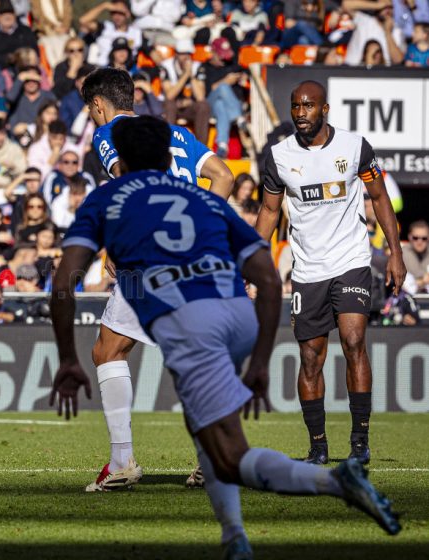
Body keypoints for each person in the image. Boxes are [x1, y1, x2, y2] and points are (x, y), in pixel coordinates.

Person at [50, 114, 402, 558]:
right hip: (229, 312)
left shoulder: (110, 198)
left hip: (179, 308)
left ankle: (315, 487)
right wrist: (257, 361)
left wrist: (66, 357)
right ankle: (239, 530)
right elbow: (268, 279)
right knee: (218, 441)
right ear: (167, 156)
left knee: (218, 445)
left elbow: (62, 284)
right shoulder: (204, 200)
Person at [79, 67, 234, 491]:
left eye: (90, 110)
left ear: (98, 104)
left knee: (108, 350)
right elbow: (224, 176)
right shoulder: (175, 134)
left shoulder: (109, 132)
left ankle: (122, 462)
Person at [255, 80, 406, 465]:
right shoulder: (278, 156)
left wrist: (395, 253)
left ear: (324, 109)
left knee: (354, 340)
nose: (300, 112)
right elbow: (270, 212)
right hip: (308, 269)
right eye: (295, 106)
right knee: (310, 358)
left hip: (351, 261)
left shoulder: (355, 148)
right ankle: (318, 446)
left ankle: (359, 441)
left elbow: (379, 198)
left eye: (308, 105)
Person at [403, 220, 429, 292]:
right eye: (415, 238)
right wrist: (423, 281)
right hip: (408, 298)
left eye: (424, 238)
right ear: (410, 237)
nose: (419, 242)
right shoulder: (401, 254)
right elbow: (403, 285)